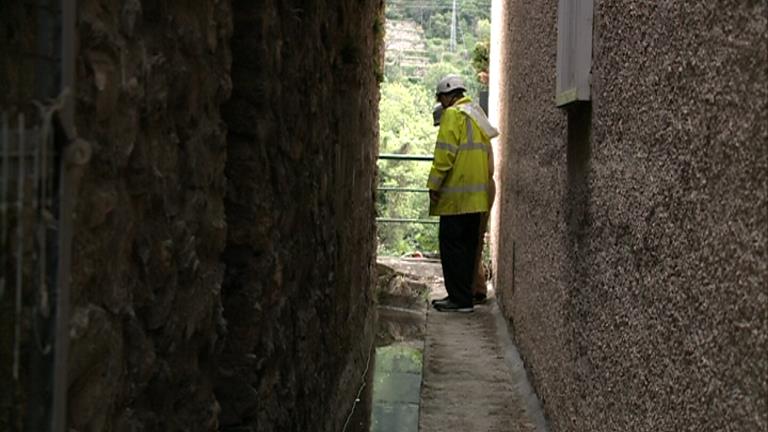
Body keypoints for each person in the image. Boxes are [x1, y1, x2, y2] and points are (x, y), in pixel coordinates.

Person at [427, 75, 498, 313]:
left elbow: (445, 155)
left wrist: (434, 185)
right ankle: (465, 299)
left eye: (441, 98)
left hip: (456, 199)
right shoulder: (477, 115)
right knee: (468, 248)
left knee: (451, 247)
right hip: (477, 197)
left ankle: (457, 299)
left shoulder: (453, 115)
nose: (442, 103)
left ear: (448, 96)